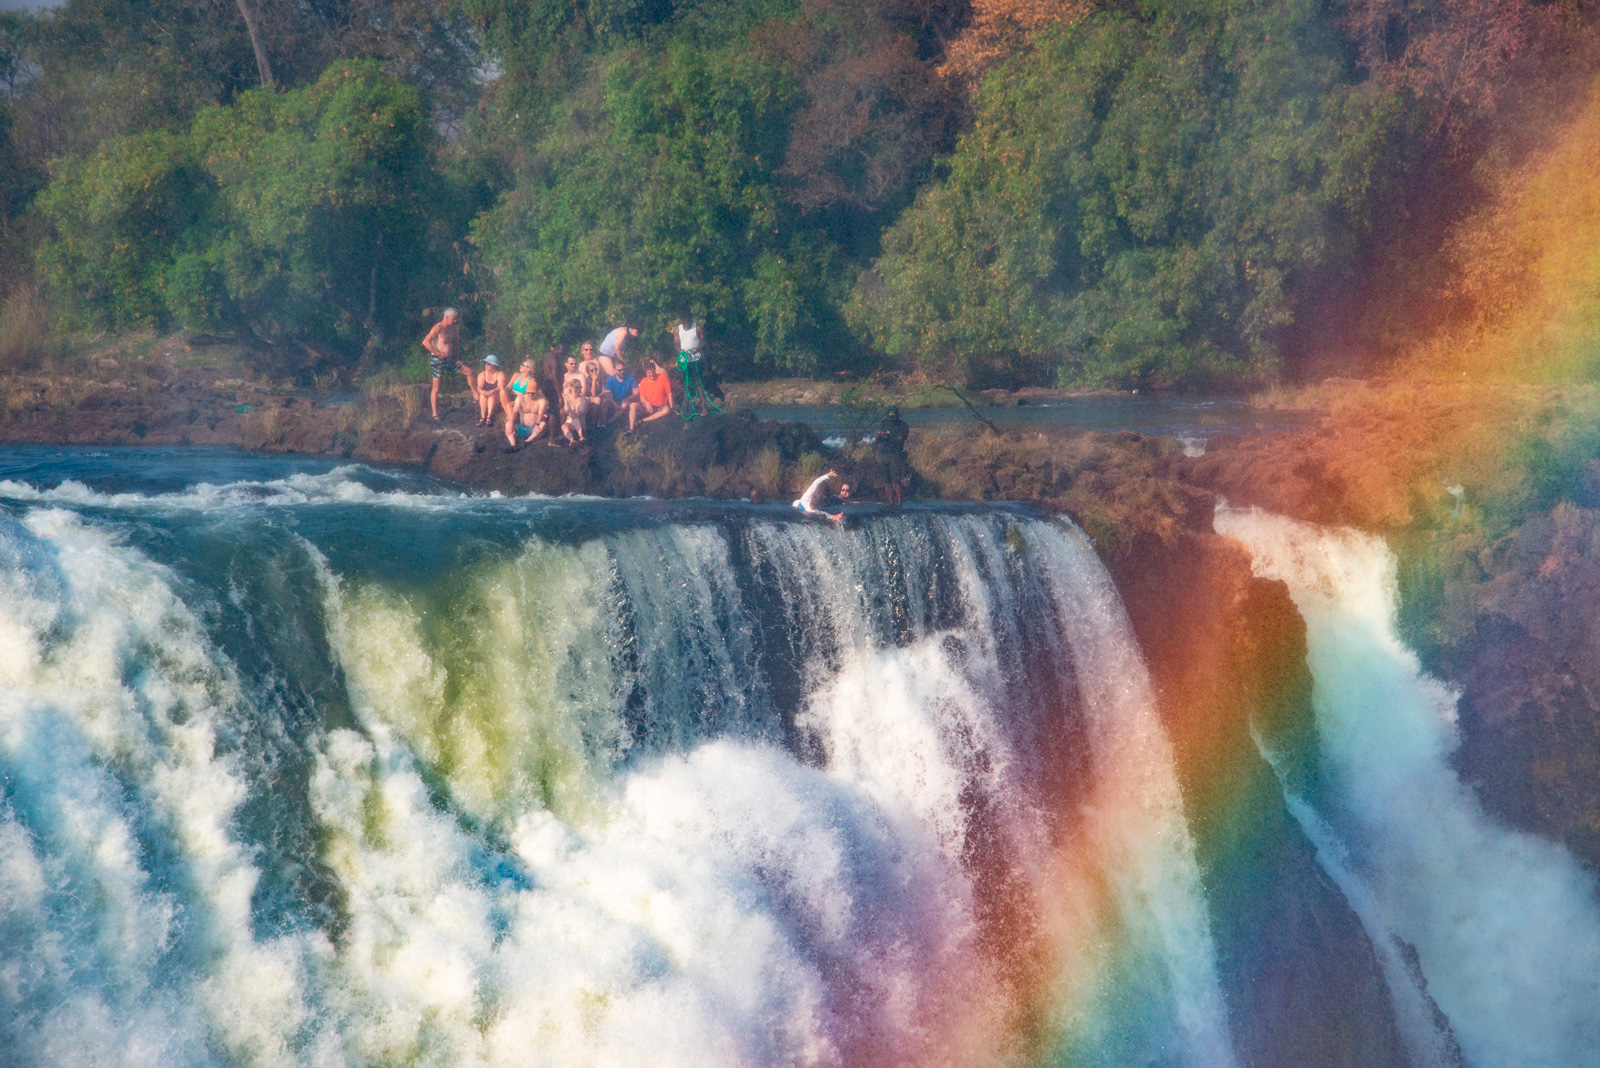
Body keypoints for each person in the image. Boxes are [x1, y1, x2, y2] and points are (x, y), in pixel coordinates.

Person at [422, 307, 474, 422]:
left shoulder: (452, 329)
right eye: (453, 319)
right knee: (436, 386)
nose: (455, 321)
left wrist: (458, 357)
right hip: (437, 360)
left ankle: (476, 397)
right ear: (446, 317)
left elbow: (456, 343)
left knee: (470, 372)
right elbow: (425, 342)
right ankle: (435, 414)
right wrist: (437, 352)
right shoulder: (438, 328)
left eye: (455, 319)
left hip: (451, 359)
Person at [674, 316, 722, 420]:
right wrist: (680, 351)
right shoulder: (678, 330)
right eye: (684, 322)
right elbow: (676, 345)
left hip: (696, 359)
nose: (686, 324)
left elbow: (703, 342)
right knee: (686, 383)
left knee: (698, 383)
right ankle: (685, 408)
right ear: (682, 321)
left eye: (688, 321)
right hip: (685, 361)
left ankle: (704, 407)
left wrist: (697, 348)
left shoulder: (697, 328)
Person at [876, 406, 911, 506]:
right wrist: (880, 435)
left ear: (898, 416)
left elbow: (900, 439)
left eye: (893, 417)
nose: (891, 420)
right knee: (886, 481)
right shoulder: (884, 423)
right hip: (883, 454)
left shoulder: (903, 425)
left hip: (895, 454)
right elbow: (877, 440)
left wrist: (889, 437)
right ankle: (891, 503)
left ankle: (899, 503)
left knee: (896, 481)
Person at [504, 377, 550, 446]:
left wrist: (537, 425)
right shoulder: (521, 398)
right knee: (508, 424)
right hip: (523, 427)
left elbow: (540, 413)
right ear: (526, 391)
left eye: (532, 393)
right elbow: (515, 411)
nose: (530, 395)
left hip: (534, 427)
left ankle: (528, 441)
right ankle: (513, 445)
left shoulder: (541, 400)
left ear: (536, 391)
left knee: (543, 424)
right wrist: (511, 424)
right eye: (528, 393)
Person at [604, 361, 643, 431]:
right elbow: (607, 394)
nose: (622, 372)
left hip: (627, 400)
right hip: (615, 401)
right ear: (614, 370)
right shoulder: (611, 380)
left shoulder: (629, 377)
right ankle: (608, 423)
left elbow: (636, 391)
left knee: (624, 406)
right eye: (619, 370)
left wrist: (629, 398)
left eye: (623, 369)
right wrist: (614, 404)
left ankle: (609, 423)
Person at [637, 357, 676, 423]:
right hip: (649, 406)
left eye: (653, 372)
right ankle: (632, 428)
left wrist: (671, 407)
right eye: (649, 373)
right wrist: (647, 403)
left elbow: (669, 393)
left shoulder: (662, 377)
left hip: (661, 407)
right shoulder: (643, 382)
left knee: (666, 410)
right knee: (635, 406)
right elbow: (642, 397)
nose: (651, 374)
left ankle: (644, 420)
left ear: (655, 370)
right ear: (646, 373)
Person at [476, 355, 508, 426]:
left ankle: (489, 417)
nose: (486, 365)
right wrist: (482, 392)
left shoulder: (500, 374)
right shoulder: (482, 375)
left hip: (496, 397)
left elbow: (500, 387)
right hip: (485, 396)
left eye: (489, 363)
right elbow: (479, 387)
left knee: (491, 396)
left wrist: (492, 391)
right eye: (486, 363)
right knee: (482, 396)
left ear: (494, 365)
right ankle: (483, 417)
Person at [561, 377, 591, 444]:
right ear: (571, 388)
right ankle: (572, 440)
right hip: (570, 423)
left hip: (581, 423)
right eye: (576, 387)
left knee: (575, 416)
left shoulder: (583, 399)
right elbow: (566, 409)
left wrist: (574, 414)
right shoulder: (566, 398)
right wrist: (570, 413)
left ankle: (581, 436)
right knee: (564, 426)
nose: (578, 389)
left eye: (580, 387)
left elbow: (582, 411)